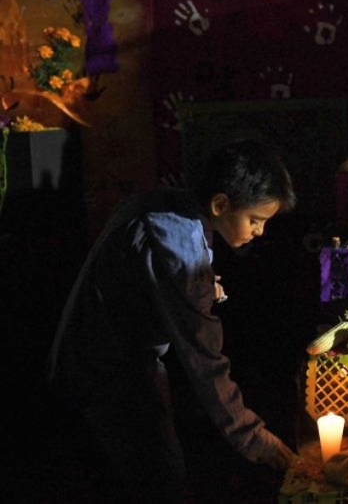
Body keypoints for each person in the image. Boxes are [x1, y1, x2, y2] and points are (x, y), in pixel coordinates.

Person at [46, 138, 299, 503]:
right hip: (110, 369)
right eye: (255, 220)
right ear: (220, 204)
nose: (259, 231)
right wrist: (252, 437)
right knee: (158, 474)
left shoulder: (163, 204)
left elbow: (148, 274)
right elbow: (205, 359)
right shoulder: (180, 258)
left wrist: (201, 286)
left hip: (93, 351)